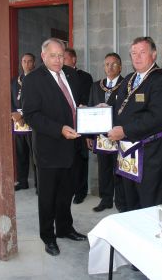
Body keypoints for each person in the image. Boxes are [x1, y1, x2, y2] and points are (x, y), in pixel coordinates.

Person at [22, 38, 87, 256]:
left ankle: (65, 228)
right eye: (53, 56)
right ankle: (48, 236)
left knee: (66, 192)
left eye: (61, 55)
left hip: (72, 146)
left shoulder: (71, 74)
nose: (58, 60)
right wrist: (59, 128)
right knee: (48, 196)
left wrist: (89, 112)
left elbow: (75, 105)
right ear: (43, 56)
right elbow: (31, 115)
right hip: (50, 148)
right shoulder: (33, 80)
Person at [107, 37, 162, 210]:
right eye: (133, 53)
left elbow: (157, 117)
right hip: (128, 152)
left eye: (142, 53)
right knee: (128, 198)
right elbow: (119, 108)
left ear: (153, 55)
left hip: (151, 153)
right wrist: (102, 111)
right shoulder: (130, 78)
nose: (137, 57)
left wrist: (125, 130)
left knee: (149, 200)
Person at [87, 52, 126, 212]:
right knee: (104, 169)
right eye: (107, 64)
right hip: (101, 137)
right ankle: (106, 199)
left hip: (119, 136)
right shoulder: (96, 85)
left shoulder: (126, 84)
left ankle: (121, 201)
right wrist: (89, 136)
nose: (110, 67)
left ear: (120, 66)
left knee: (120, 169)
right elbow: (90, 108)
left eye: (114, 64)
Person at [64, 47, 93, 204]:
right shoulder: (57, 77)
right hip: (63, 125)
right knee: (66, 160)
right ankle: (69, 189)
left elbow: (84, 100)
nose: (61, 61)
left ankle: (81, 191)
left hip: (80, 125)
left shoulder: (84, 77)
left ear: (74, 60)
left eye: (65, 58)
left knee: (80, 160)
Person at [11, 53, 38, 191]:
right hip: (18, 123)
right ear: (21, 63)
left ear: (34, 63)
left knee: (35, 154)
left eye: (29, 61)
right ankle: (22, 181)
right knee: (21, 153)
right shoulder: (15, 81)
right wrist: (13, 113)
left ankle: (39, 185)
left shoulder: (38, 79)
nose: (26, 64)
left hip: (32, 122)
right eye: (24, 61)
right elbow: (9, 99)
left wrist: (25, 117)